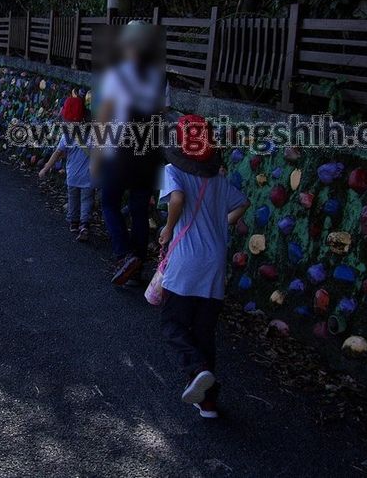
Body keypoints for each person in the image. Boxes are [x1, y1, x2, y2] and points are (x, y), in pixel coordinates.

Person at [156, 114, 249, 419]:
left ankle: (196, 369)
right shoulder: (219, 181)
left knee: (173, 324)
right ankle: (207, 401)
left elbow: (178, 199)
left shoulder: (173, 172)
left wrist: (169, 228)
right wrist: (223, 224)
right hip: (215, 263)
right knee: (204, 331)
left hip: (186, 261)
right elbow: (242, 203)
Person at [94, 21, 169, 286]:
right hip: (148, 151)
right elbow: (161, 114)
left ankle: (124, 254)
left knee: (109, 203)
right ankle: (136, 268)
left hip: (120, 150)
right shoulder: (161, 76)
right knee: (139, 210)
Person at [39, 92, 96, 242]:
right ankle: (84, 225)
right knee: (86, 201)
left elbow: (57, 154)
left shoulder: (66, 136)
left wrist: (45, 168)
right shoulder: (91, 134)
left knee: (73, 199)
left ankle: (73, 222)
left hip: (72, 177)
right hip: (89, 176)